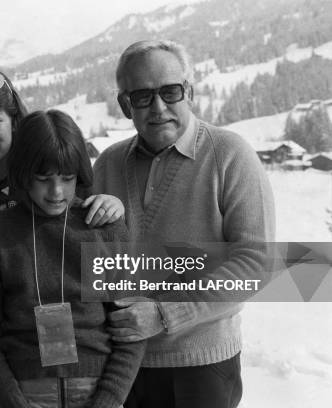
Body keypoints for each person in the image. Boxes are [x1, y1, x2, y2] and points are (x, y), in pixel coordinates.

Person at [93, 40, 275, 408]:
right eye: (142, 96)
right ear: (125, 105)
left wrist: (164, 313)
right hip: (117, 366)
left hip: (201, 367)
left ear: (189, 92)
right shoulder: (107, 165)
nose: (158, 108)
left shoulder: (231, 155)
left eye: (170, 92)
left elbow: (256, 264)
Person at [0, 109, 146, 408]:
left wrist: (108, 400)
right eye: (43, 178)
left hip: (99, 389)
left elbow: (133, 327)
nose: (56, 191)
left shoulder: (104, 230)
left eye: (67, 178)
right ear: (23, 172)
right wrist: (13, 403)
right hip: (24, 393)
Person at [0, 70, 124, 319]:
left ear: (14, 121)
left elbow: (110, 268)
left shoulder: (61, 173)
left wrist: (111, 206)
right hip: (10, 348)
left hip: (85, 337)